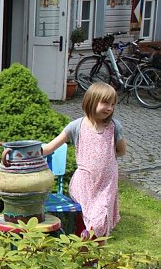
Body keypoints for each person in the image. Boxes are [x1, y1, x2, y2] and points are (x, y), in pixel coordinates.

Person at [42, 82, 126, 238]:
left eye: (113, 104)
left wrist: (106, 156)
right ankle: (88, 237)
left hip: (106, 183)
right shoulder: (76, 126)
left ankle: (90, 237)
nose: (110, 108)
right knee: (90, 212)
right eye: (105, 103)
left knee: (102, 211)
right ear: (91, 101)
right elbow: (49, 148)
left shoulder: (114, 127)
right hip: (84, 183)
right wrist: (28, 151)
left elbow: (122, 151)